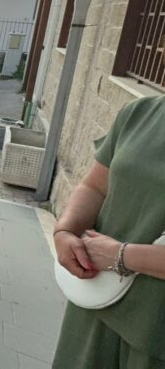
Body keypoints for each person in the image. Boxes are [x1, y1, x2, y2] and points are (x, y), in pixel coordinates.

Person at [51, 96, 165, 368]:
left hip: (155, 329)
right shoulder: (141, 112)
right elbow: (95, 187)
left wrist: (122, 257)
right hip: (98, 298)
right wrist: (65, 230)